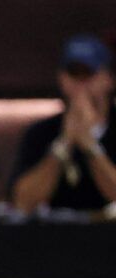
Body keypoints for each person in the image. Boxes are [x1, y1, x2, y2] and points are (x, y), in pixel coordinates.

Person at [12, 34, 116, 215]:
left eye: (88, 74)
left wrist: (90, 146)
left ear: (108, 79)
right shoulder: (41, 132)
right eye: (74, 74)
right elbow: (23, 201)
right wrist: (64, 143)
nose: (81, 85)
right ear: (62, 78)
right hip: (52, 239)